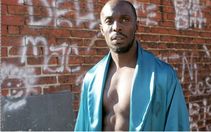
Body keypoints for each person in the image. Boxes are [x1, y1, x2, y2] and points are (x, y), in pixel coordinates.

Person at [74, 0, 190, 131]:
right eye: (109, 21)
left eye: (125, 19)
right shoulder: (91, 78)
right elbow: (83, 127)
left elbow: (177, 127)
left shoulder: (163, 76)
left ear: (136, 26)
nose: (116, 27)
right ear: (102, 29)